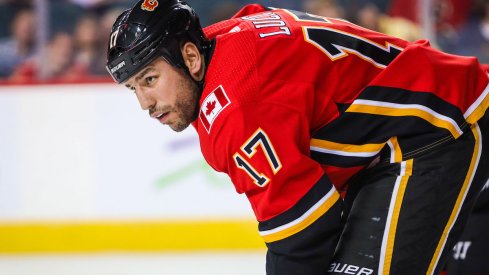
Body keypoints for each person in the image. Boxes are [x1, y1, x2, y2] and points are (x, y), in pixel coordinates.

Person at [106, 1, 489, 274]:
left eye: (150, 80)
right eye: (134, 88)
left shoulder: (236, 109)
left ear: (190, 58)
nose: (145, 103)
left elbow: (305, 232)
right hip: (406, 136)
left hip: (440, 128)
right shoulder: (226, 38)